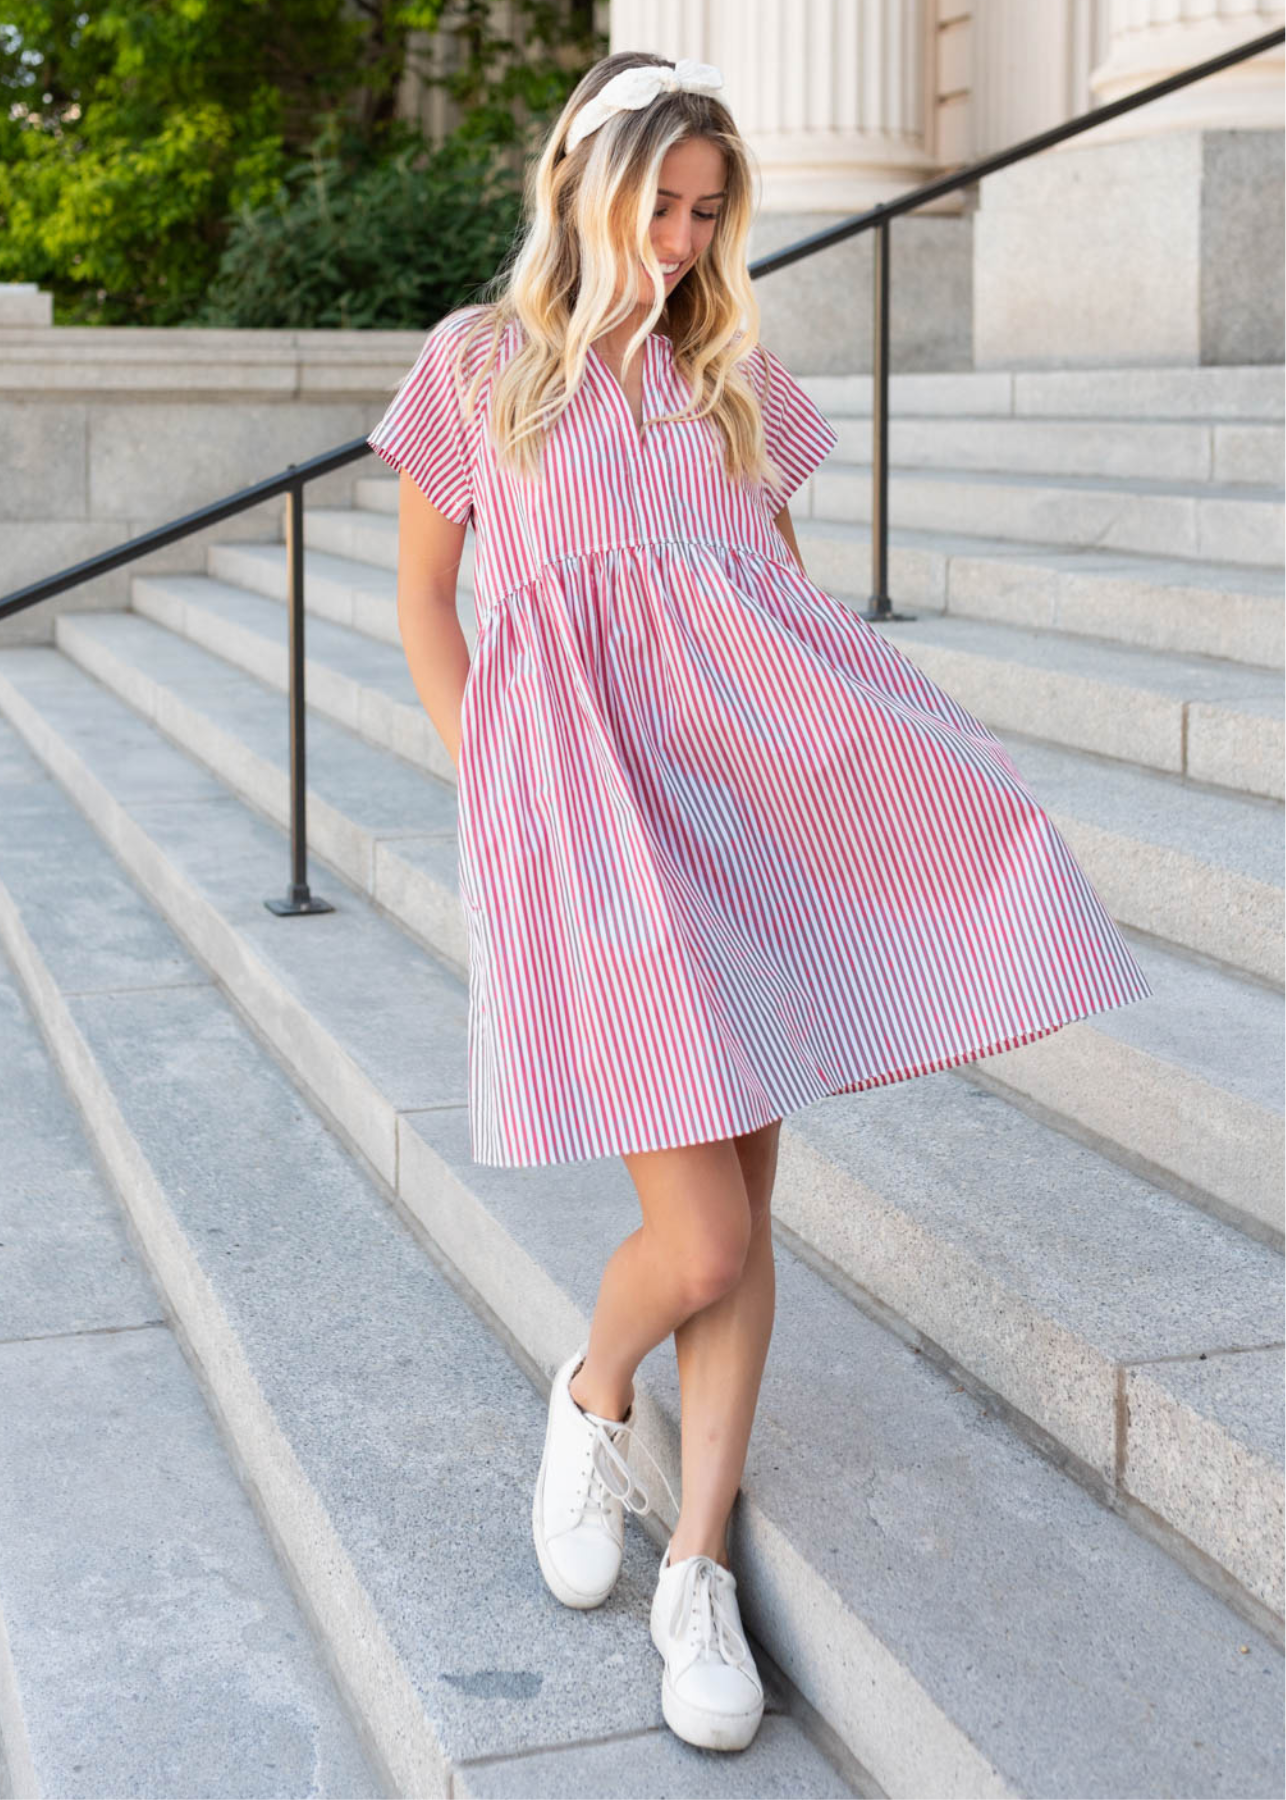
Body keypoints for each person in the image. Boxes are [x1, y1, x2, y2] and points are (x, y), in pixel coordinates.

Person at [365, 50, 1154, 1756]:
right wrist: (488, 780)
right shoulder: (477, 370)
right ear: (582, 179)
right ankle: (590, 1397)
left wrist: (891, 780)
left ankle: (697, 1562)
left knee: (746, 1224)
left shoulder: (729, 379)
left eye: (708, 210)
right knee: (698, 1233)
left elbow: (777, 620)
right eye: (658, 199)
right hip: (594, 842)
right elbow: (429, 603)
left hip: (747, 834)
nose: (678, 237)